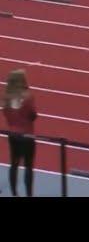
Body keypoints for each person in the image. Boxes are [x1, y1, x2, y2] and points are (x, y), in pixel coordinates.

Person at [2, 69, 37, 197]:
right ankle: (29, 194)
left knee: (14, 164)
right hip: (27, 135)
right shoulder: (28, 96)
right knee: (28, 166)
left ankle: (14, 194)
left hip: (13, 135)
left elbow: (5, 113)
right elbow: (33, 115)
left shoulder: (7, 96)